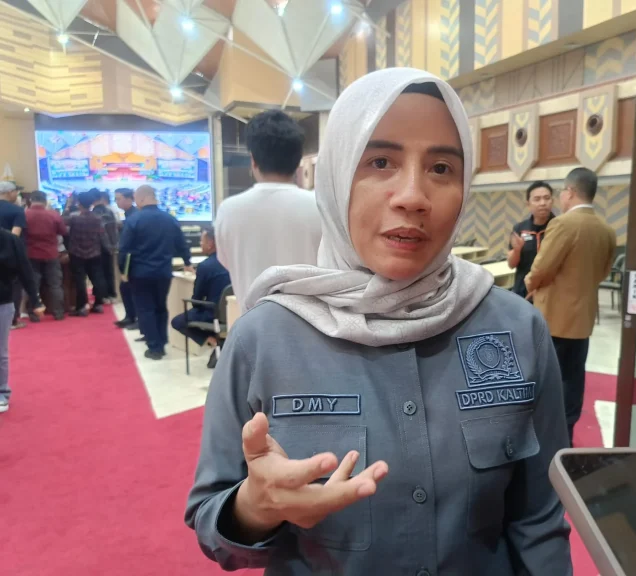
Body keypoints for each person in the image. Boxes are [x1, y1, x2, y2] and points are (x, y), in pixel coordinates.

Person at [186, 68, 571, 575]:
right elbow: (212, 524)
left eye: (441, 168)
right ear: (337, 178)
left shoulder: (517, 329)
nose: (413, 196)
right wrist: (255, 507)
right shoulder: (264, 338)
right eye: (381, 161)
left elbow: (539, 518)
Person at [525, 168, 616, 445]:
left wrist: (529, 284)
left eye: (562, 192)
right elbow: (603, 272)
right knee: (574, 380)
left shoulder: (563, 225)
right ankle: (566, 436)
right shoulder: (606, 230)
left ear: (570, 192)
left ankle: (543, 439)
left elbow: (541, 268)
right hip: (582, 320)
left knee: (546, 380)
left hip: (554, 319)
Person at [215, 110, 322, 304]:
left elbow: (227, 262)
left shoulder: (228, 210)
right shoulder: (320, 206)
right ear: (298, 160)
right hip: (312, 320)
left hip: (252, 319)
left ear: (253, 160)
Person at [119, 185, 192, 360]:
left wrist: (123, 271)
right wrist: (187, 262)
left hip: (140, 273)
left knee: (145, 309)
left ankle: (154, 346)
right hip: (163, 272)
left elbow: (124, 249)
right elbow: (181, 244)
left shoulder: (134, 220)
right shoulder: (170, 219)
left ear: (142, 198)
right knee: (160, 307)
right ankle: (162, 340)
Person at [170, 225, 231, 369]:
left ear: (211, 243)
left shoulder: (205, 267)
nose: (200, 244)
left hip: (212, 313)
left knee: (177, 321)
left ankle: (214, 342)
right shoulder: (234, 262)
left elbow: (197, 299)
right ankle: (219, 342)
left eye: (202, 241)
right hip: (234, 310)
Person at [0, 228, 45, 413]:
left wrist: (36, 300)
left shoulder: (10, 240)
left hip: (2, 302)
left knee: (0, 350)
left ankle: (2, 391)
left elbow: (25, 270)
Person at [507, 181, 556, 299]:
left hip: (550, 292)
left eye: (547, 198)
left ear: (552, 201)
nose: (543, 203)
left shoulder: (559, 227)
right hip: (523, 290)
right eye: (537, 199)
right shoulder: (520, 228)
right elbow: (511, 265)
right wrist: (517, 250)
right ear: (528, 204)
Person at [24, 190, 67, 321]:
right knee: (55, 284)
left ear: (31, 200)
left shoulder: (24, 214)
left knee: (33, 285)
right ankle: (58, 312)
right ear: (45, 201)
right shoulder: (53, 215)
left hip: (31, 254)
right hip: (51, 253)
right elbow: (63, 231)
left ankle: (33, 313)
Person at [64, 191, 108, 317]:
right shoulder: (97, 218)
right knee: (97, 278)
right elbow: (102, 235)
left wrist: (67, 206)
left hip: (76, 252)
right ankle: (98, 304)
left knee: (80, 280)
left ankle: (82, 306)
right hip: (95, 252)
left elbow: (62, 222)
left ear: (79, 203)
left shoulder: (74, 218)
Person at [0, 181, 27, 328]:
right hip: (8, 254)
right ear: (10, 192)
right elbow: (15, 235)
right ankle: (12, 320)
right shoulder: (16, 211)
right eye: (16, 191)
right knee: (14, 286)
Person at [114, 188, 139, 329]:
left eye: (119, 198)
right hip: (127, 259)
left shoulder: (135, 216)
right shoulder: (128, 215)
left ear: (129, 199)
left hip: (133, 260)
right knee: (125, 289)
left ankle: (136, 318)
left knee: (132, 290)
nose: (116, 202)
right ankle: (129, 316)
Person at [91, 190, 119, 302]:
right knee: (109, 271)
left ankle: (103, 295)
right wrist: (113, 246)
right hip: (110, 246)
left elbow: (100, 233)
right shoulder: (109, 211)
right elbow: (114, 230)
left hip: (97, 247)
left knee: (99, 272)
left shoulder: (94, 213)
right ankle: (112, 294)